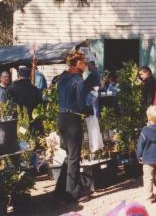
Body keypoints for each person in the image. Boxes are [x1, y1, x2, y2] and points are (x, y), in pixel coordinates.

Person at [54, 51, 92, 201]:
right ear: (77, 64)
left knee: (68, 156)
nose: (85, 64)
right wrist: (89, 110)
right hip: (72, 120)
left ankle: (60, 190)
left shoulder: (62, 78)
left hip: (61, 118)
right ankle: (73, 193)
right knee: (74, 157)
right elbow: (82, 105)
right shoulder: (78, 80)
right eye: (83, 62)